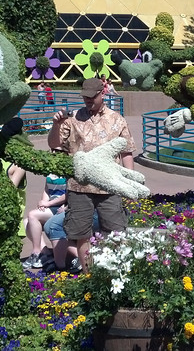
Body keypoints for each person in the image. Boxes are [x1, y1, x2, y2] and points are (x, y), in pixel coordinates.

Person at [48, 77, 137, 273]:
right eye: (85, 97)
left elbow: (127, 152)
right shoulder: (72, 119)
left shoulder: (117, 119)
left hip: (109, 186)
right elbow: (54, 144)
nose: (88, 100)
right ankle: (88, 275)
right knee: (81, 234)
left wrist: (129, 181)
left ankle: (115, 273)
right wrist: (56, 125)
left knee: (116, 232)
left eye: (91, 96)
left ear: (102, 93)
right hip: (79, 187)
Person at [22, 172, 67, 269]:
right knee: (27, 222)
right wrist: (43, 203)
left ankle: (36, 252)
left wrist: (49, 204)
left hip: (62, 206)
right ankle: (45, 252)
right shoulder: (50, 171)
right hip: (51, 205)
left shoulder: (68, 172)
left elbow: (69, 194)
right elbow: (47, 190)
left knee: (32, 215)